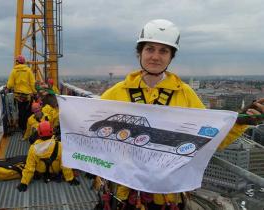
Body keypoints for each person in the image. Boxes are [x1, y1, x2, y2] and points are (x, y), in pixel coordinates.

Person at [100, 19, 264, 210]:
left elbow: (208, 137)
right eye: (150, 49)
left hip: (168, 194)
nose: (155, 56)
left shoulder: (185, 94)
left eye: (163, 51)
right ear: (140, 52)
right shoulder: (116, 93)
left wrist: (239, 121)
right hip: (125, 191)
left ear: (171, 57)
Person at [17, 121, 80, 192]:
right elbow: (65, 165)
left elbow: (29, 167)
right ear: (52, 131)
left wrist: (24, 183)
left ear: (39, 133)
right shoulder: (60, 145)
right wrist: (70, 179)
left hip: (41, 174)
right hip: (55, 172)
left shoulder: (33, 148)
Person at [6, 55, 37, 131]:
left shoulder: (14, 71)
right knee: (28, 112)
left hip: (18, 96)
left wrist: (7, 87)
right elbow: (33, 83)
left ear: (17, 62)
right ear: (24, 62)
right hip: (28, 96)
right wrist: (35, 92)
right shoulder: (28, 70)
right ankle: (28, 127)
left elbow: (10, 84)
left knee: (21, 111)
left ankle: (22, 127)